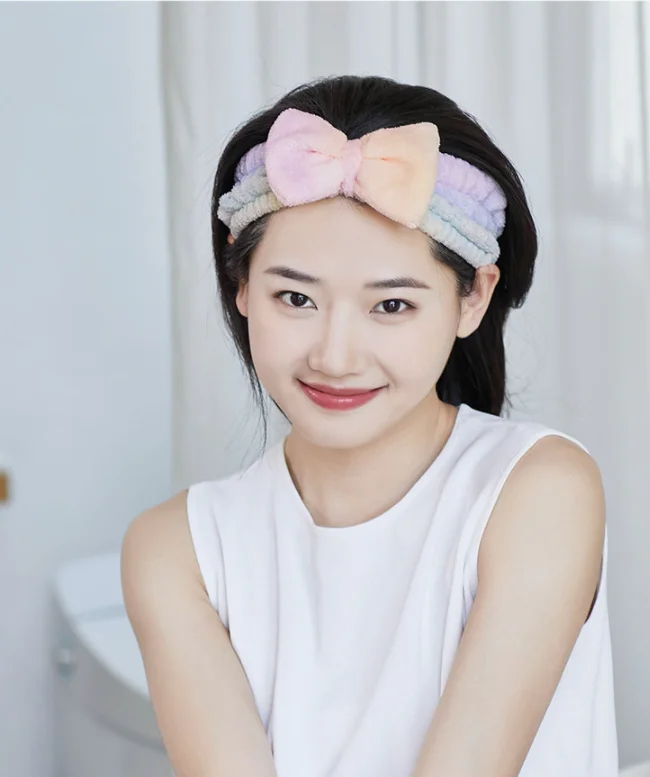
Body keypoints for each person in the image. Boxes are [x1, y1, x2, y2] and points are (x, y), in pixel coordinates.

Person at [121, 75, 618, 777]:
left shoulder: (538, 492)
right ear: (240, 284)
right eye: (296, 298)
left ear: (472, 299)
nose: (335, 356)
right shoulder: (177, 550)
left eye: (391, 306)